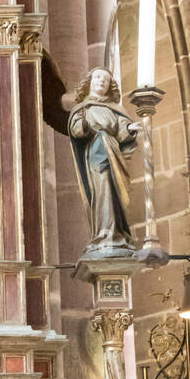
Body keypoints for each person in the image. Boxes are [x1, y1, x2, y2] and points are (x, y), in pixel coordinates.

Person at [68, 66, 141, 258]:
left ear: (110, 86)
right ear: (90, 82)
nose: (102, 81)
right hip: (96, 152)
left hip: (113, 153)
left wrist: (130, 129)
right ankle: (104, 234)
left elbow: (122, 129)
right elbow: (76, 130)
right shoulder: (82, 108)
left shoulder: (115, 109)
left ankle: (116, 233)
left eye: (106, 80)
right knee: (103, 190)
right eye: (98, 77)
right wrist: (83, 124)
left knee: (114, 191)